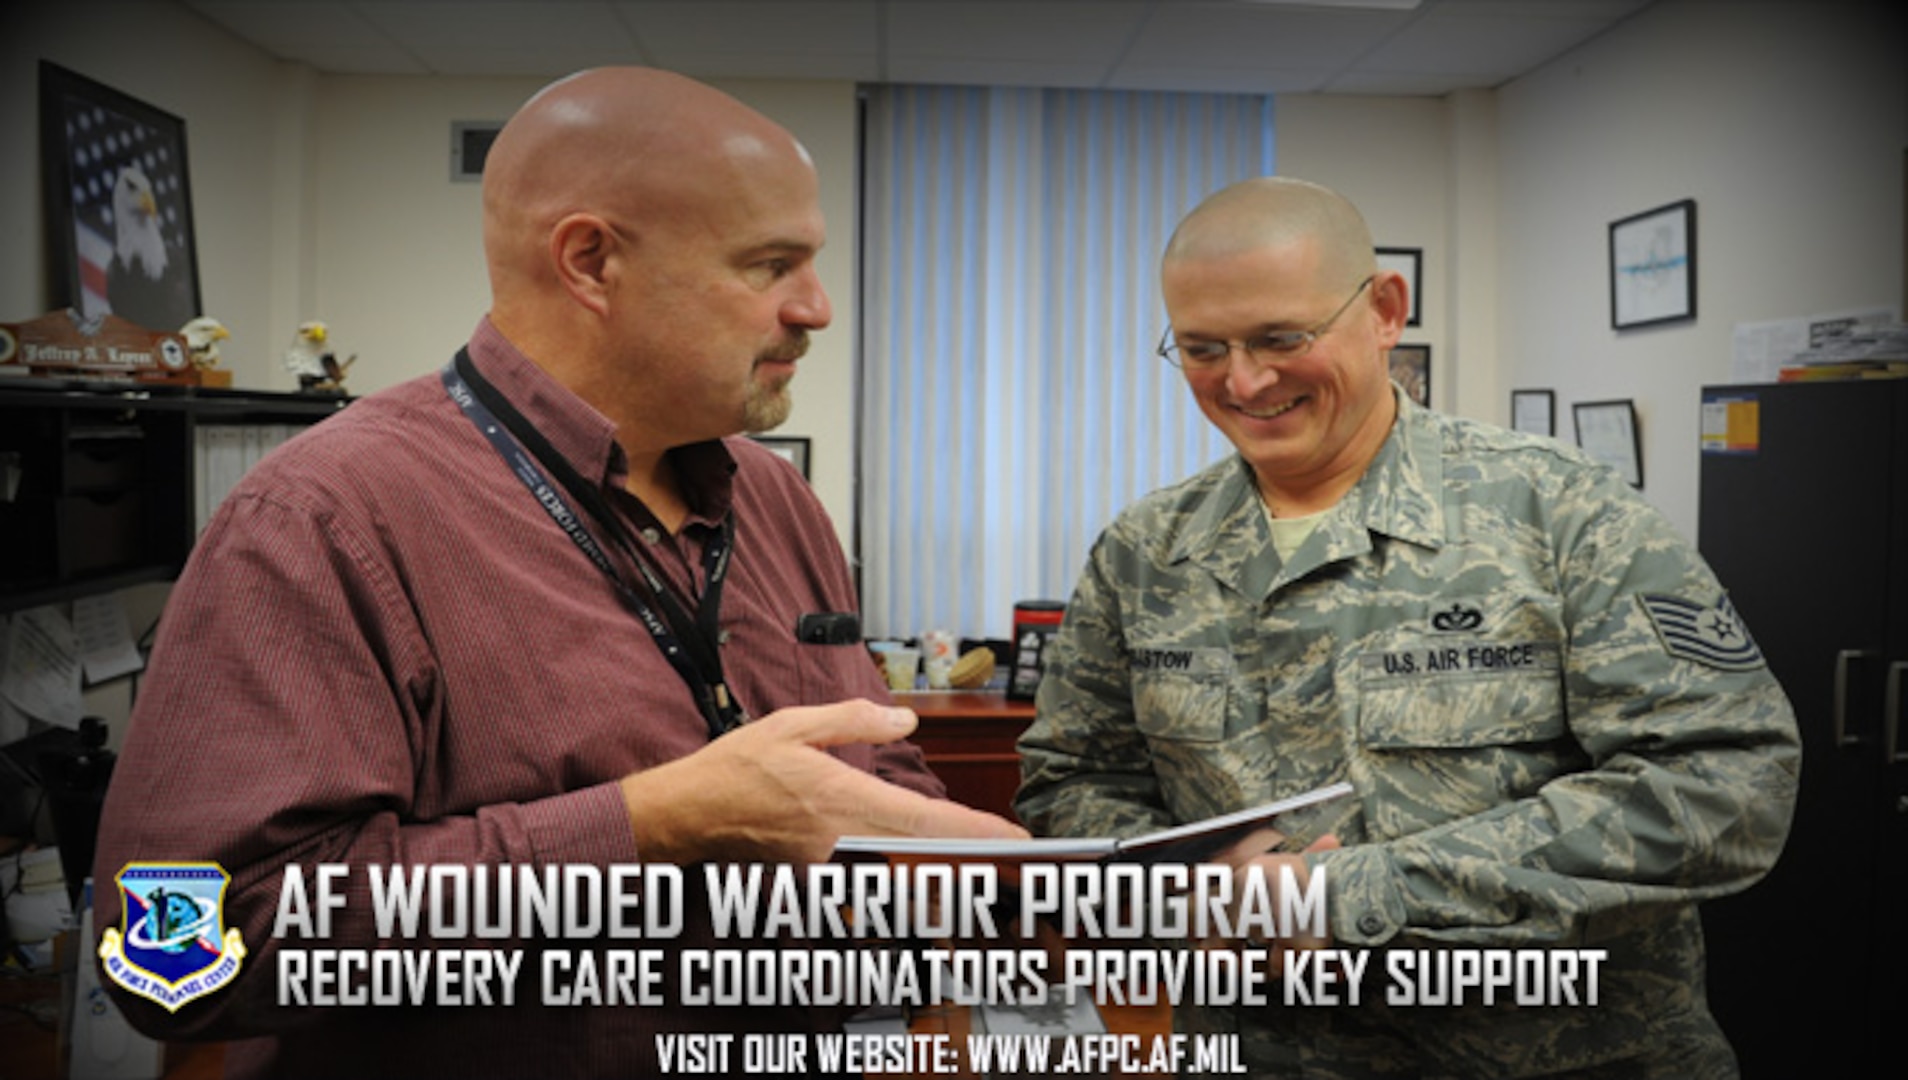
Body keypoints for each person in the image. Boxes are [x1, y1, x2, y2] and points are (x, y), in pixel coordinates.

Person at [93, 67, 1022, 1077]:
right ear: (590, 261)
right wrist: (654, 825)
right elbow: (176, 955)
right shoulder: (322, 519)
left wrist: (961, 882)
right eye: (770, 265)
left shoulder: (776, 498)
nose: (819, 308)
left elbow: (858, 768)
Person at [1015, 177, 1800, 1078]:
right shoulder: (1145, 552)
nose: (1244, 380)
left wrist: (1353, 895)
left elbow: (1727, 783)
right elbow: (1071, 782)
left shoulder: (1561, 512)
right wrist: (1189, 888)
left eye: (1282, 338)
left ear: (1385, 310)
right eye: (1201, 348)